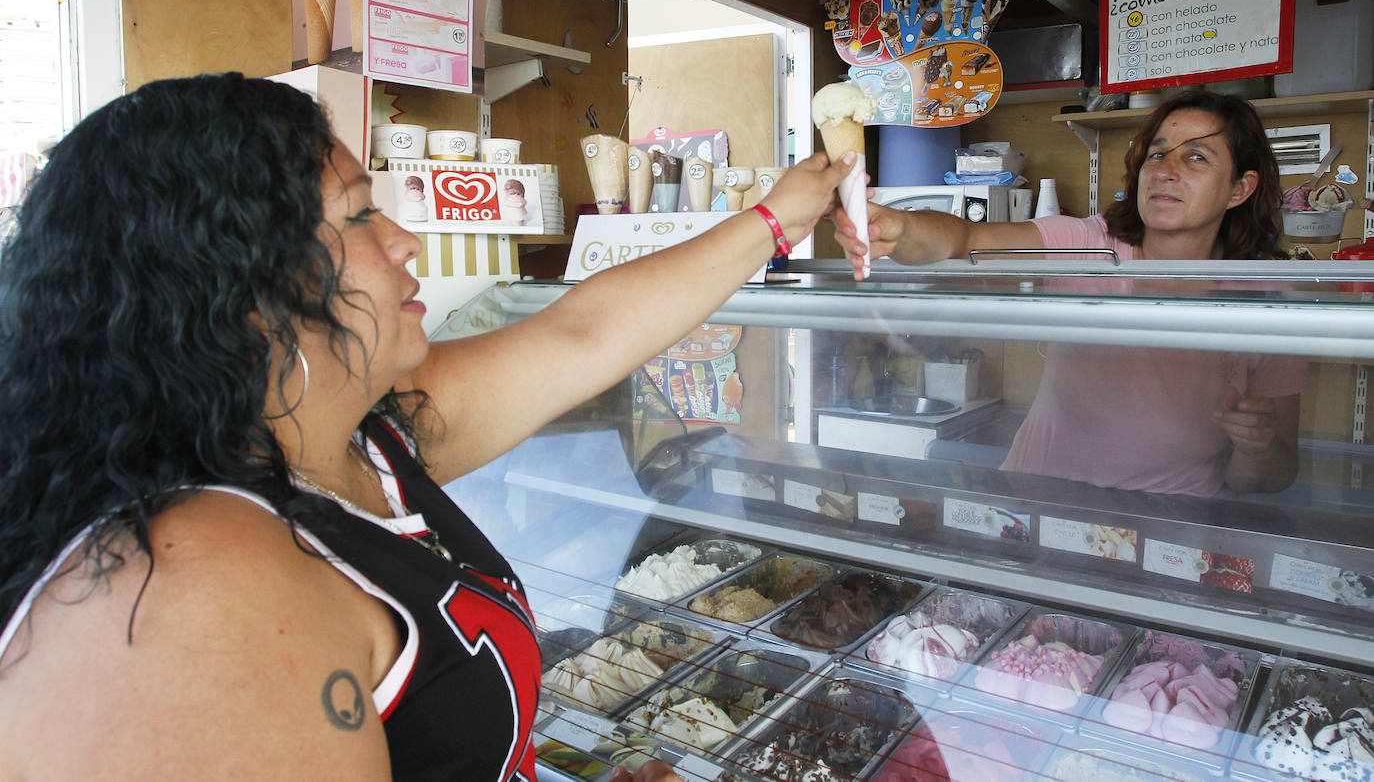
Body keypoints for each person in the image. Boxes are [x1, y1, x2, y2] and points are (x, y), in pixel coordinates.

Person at [0, 73, 853, 779]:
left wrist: (780, 218)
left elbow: (580, 333)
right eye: (361, 215)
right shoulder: (193, 595)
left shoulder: (364, 438)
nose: (406, 241)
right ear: (244, 291)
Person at [834, 90, 1307, 496]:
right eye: (1157, 153)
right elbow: (964, 241)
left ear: (1239, 189)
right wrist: (899, 227)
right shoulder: (1088, 245)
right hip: (1037, 504)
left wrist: (1256, 445)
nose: (1166, 169)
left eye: (1197, 156)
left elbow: (1270, 477)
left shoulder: (1264, 294)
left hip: (1170, 528)